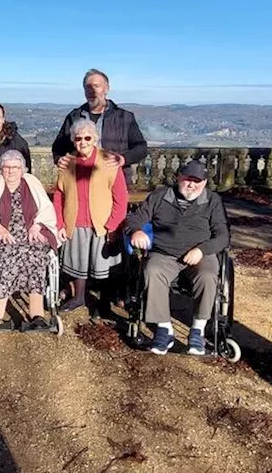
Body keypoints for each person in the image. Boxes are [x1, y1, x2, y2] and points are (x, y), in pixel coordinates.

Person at [124, 160, 230, 355]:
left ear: (204, 183)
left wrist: (201, 250)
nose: (191, 184)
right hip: (165, 253)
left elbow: (223, 236)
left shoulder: (212, 201)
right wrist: (136, 231)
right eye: (188, 179)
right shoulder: (160, 196)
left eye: (197, 181)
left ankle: (198, 329)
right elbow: (134, 218)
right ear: (179, 177)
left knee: (208, 276)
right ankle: (165, 328)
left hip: (200, 254)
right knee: (152, 270)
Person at [0, 150, 59, 331]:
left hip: (30, 232)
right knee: (6, 253)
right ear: (1, 169)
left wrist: (38, 225)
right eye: (7, 167)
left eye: (15, 167)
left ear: (22, 169)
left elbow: (46, 209)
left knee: (36, 253)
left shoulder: (32, 183)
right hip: (0, 233)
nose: (11, 171)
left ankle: (37, 313)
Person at [52, 119, 128, 316]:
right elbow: (59, 194)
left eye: (87, 138)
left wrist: (113, 226)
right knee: (78, 264)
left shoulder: (108, 162)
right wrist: (60, 223)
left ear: (95, 139)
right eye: (78, 139)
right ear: (73, 141)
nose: (83, 142)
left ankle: (103, 303)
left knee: (103, 265)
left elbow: (121, 197)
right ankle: (78, 298)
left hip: (101, 223)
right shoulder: (68, 163)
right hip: (74, 222)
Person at [51, 68, 148, 184]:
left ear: (106, 89)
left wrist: (123, 159)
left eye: (96, 86)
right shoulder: (74, 117)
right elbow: (58, 147)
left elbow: (141, 148)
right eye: (88, 87)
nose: (92, 91)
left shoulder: (125, 118)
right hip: (80, 181)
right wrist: (59, 159)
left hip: (115, 181)